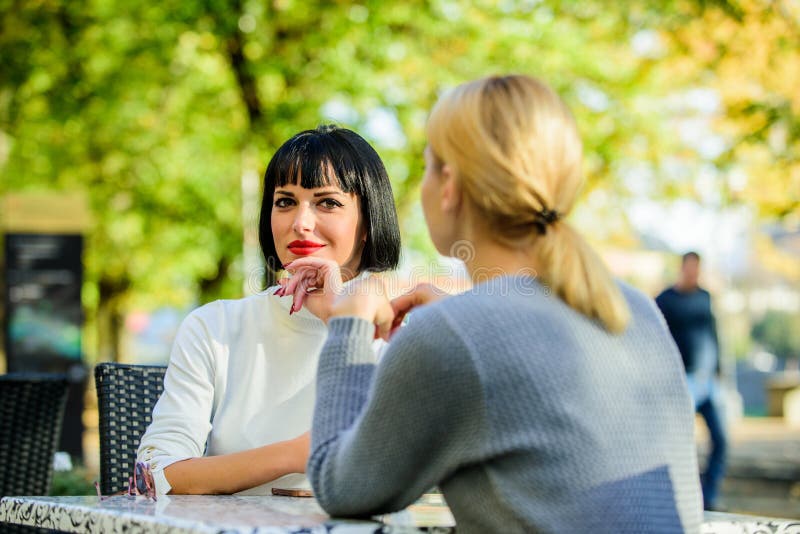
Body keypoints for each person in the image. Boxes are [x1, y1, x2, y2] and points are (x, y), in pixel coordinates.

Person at [301, 75, 703, 532]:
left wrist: (348, 326)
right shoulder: (634, 307)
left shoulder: (452, 337)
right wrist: (461, 318)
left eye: (430, 165)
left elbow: (340, 487)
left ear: (449, 184)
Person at [136, 125, 401, 495]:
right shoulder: (215, 327)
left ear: (368, 224)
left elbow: (399, 468)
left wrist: (339, 323)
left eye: (328, 202)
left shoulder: (402, 329)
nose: (300, 223)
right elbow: (155, 475)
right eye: (285, 202)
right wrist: (295, 454)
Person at [656, 251, 727, 510]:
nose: (693, 273)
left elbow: (713, 333)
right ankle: (684, 496)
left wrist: (719, 371)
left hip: (709, 381)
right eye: (690, 268)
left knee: (720, 439)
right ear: (682, 268)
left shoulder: (705, 297)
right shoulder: (665, 300)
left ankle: (709, 496)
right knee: (681, 441)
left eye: (697, 268)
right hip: (683, 381)